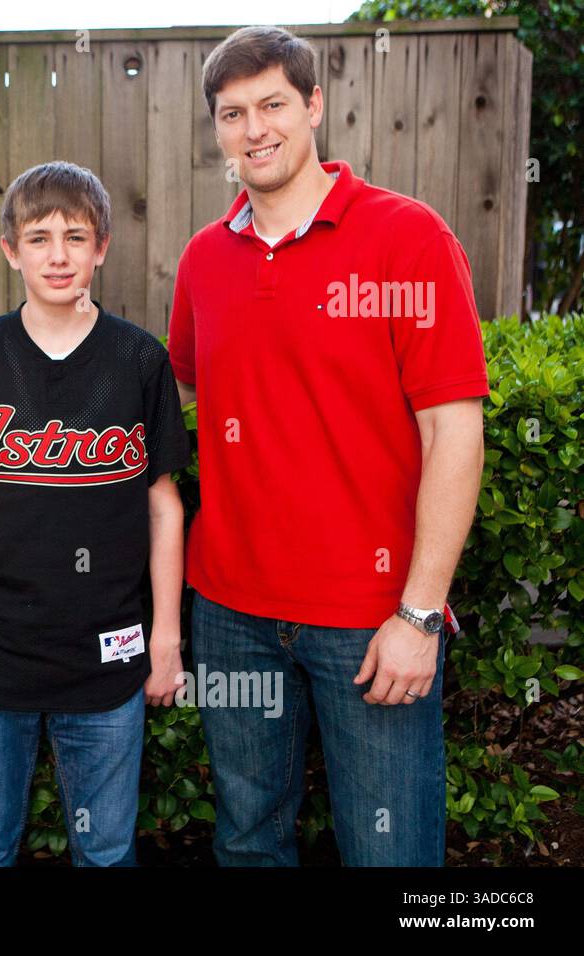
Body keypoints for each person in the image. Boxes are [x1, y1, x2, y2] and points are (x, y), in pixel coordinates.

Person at [168, 25, 488, 866]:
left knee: (393, 856)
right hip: (231, 610)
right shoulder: (204, 260)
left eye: (273, 103)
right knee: (246, 844)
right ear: (217, 129)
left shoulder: (407, 238)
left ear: (314, 106)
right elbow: (213, 396)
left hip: (369, 618)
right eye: (232, 113)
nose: (254, 129)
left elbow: (454, 429)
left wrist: (420, 614)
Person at [0, 161, 191, 866]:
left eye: (76, 236)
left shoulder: (139, 361)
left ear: (102, 246)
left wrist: (165, 639)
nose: (58, 255)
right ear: (11, 250)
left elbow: (164, 507)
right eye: (39, 238)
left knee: (105, 852)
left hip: (108, 658)